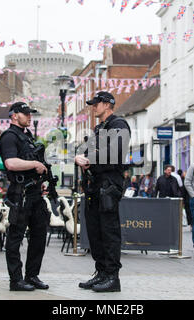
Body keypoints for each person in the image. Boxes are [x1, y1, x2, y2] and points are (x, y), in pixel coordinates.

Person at [75, 91, 130, 292]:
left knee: (109, 231)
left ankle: (113, 277)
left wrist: (90, 157)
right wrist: (84, 157)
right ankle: (101, 273)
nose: (93, 107)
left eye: (96, 103)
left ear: (107, 104)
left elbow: (115, 154)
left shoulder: (119, 125)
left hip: (108, 185)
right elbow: (84, 152)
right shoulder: (99, 129)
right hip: (94, 186)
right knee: (95, 233)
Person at [0, 102, 51, 292]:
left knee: (39, 236)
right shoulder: (9, 137)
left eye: (30, 114)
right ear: (14, 115)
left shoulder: (27, 137)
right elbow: (10, 163)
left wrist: (40, 180)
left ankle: (32, 275)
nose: (29, 116)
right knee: (15, 238)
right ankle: (16, 280)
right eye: (25, 113)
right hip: (21, 194)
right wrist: (35, 164)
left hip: (35, 193)